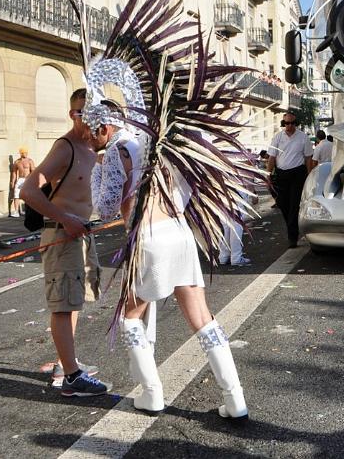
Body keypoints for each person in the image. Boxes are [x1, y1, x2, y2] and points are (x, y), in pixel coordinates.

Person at [89, 99, 249, 417]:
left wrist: (97, 169)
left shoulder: (115, 154)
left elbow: (104, 207)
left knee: (130, 317)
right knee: (203, 318)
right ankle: (235, 400)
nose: (88, 140)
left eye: (90, 134)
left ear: (104, 128)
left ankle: (151, 394)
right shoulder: (156, 146)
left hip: (147, 239)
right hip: (179, 232)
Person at [19, 88, 107, 397]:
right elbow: (29, 191)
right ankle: (71, 377)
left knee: (74, 301)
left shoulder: (90, 148)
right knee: (62, 305)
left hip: (80, 235)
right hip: (61, 235)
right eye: (85, 112)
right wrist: (66, 219)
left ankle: (64, 363)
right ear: (73, 114)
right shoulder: (66, 147)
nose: (92, 119)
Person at [267, 112, 313, 248]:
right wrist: (268, 174)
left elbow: (308, 158)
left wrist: (309, 174)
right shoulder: (277, 137)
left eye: (292, 123)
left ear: (295, 123)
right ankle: (292, 226)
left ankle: (292, 237)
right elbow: (271, 157)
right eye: (286, 123)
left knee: (294, 205)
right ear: (283, 124)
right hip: (282, 174)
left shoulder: (303, 137)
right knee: (282, 203)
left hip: (297, 173)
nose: (289, 126)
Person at [10, 147, 35, 217]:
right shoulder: (17, 162)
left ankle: (29, 211)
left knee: (28, 195)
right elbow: (14, 173)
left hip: (28, 179)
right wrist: (12, 182)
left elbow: (33, 171)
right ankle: (16, 212)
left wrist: (32, 180)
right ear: (21, 153)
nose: (26, 154)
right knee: (16, 194)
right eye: (24, 152)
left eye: (27, 152)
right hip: (20, 179)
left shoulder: (30, 161)